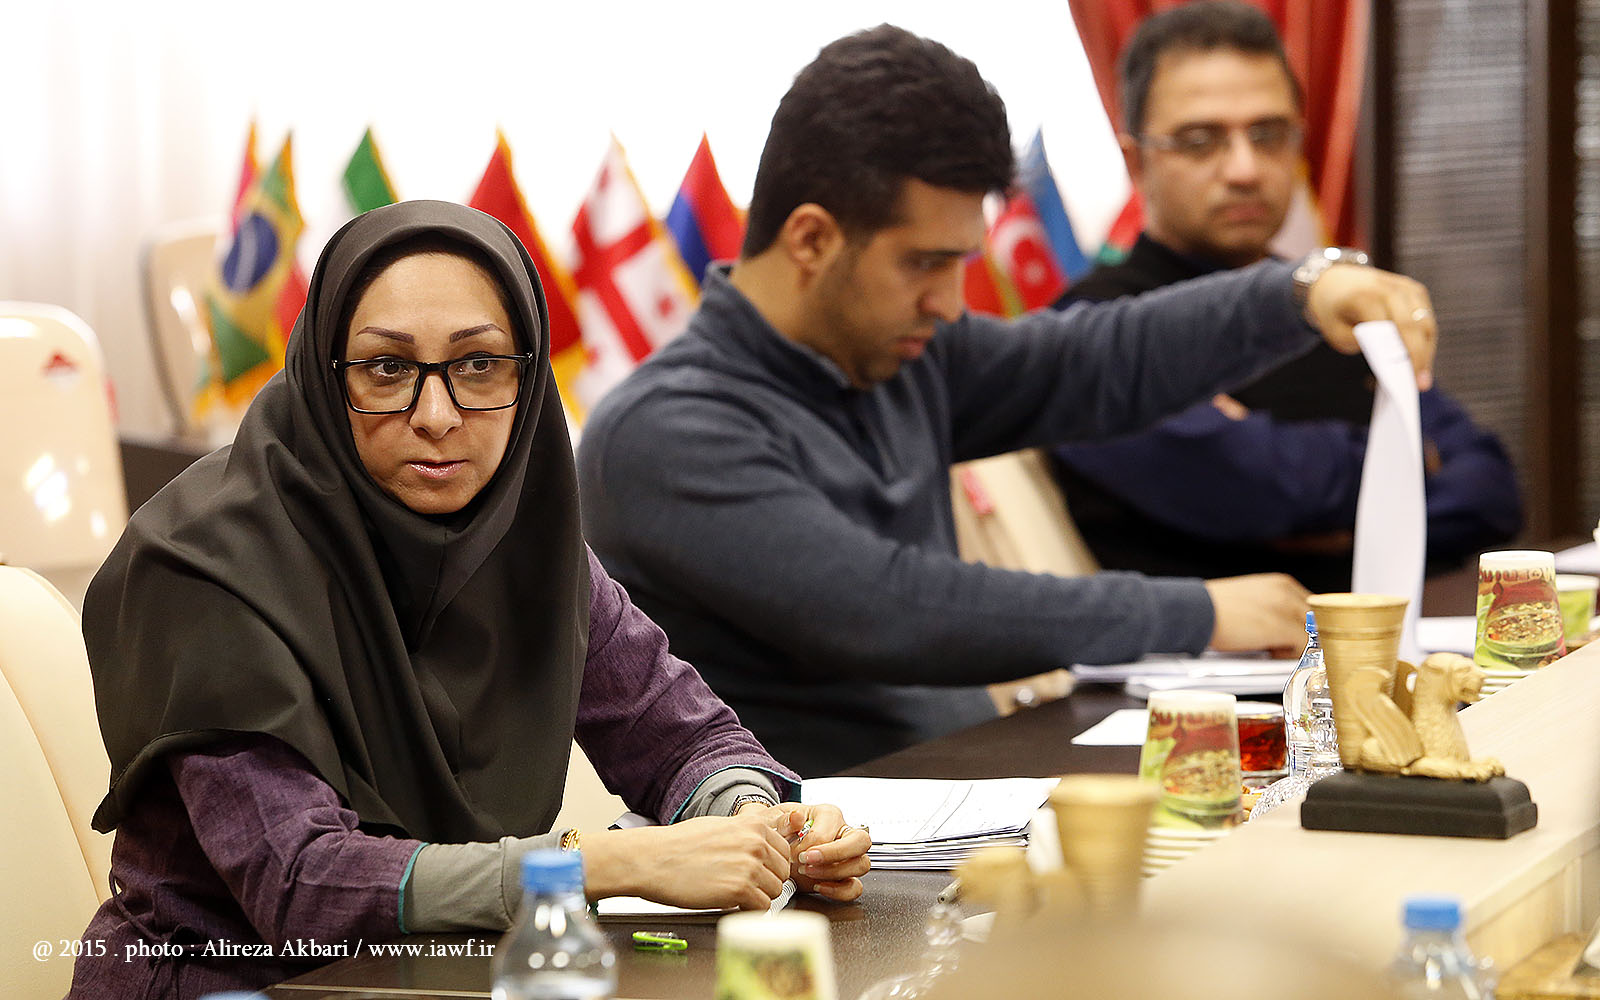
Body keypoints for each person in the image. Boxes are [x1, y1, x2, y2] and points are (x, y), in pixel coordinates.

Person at [576, 24, 1439, 777]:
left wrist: (1298, 292)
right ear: (810, 238)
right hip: (803, 863)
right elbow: (890, 608)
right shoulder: (662, 433)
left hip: (971, 805)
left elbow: (1095, 357)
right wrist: (1197, 611)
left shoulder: (898, 355)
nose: (952, 303)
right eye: (925, 263)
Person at [67, 201, 870, 1000]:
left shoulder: (523, 547)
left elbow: (683, 736)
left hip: (445, 977)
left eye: (480, 364)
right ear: (323, 372)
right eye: (386, 369)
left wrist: (757, 822)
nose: (436, 415)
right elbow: (302, 885)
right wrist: (604, 864)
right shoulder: (208, 566)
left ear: (528, 376)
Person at [1050, 1, 1521, 592]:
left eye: (1268, 134)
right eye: (1200, 141)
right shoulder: (1090, 331)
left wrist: (1338, 506)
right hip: (1230, 649)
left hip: (1405, 630)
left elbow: (1491, 489)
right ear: (1137, 160)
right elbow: (1254, 491)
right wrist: (1411, 464)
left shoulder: (1327, 298)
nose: (1245, 169)